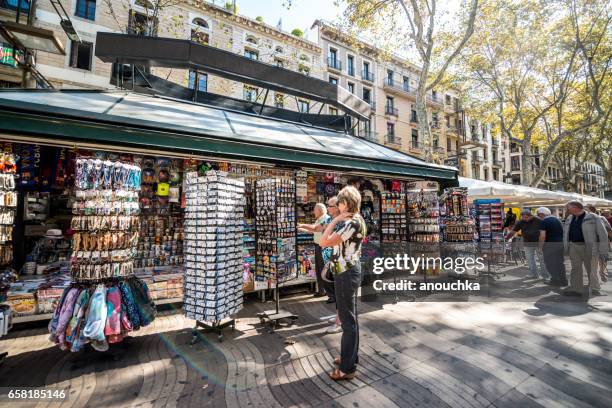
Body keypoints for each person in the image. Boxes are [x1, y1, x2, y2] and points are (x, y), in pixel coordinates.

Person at [320, 186, 366, 381]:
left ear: (346, 203)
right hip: (346, 272)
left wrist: (336, 220)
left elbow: (323, 241)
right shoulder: (354, 221)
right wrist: (338, 219)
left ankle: (348, 369)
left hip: (346, 273)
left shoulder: (351, 223)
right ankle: (349, 358)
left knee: (348, 322)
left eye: (338, 203)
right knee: (350, 318)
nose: (336, 207)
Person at [563, 201, 609, 297]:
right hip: (573, 246)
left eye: (568, 208)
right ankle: (576, 289)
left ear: (575, 207)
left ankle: (595, 288)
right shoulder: (569, 218)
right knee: (575, 268)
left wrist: (603, 250)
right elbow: (566, 233)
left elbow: (603, 234)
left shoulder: (593, 217)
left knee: (591, 269)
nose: (566, 209)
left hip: (590, 247)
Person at [298, 203, 332, 299]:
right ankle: (322, 291)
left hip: (324, 247)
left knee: (324, 270)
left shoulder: (326, 219)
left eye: (315, 210)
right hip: (318, 246)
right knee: (319, 270)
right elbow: (313, 230)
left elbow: (315, 229)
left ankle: (330, 294)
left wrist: (303, 225)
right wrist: (302, 229)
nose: (313, 212)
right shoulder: (319, 219)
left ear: (320, 210)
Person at [505, 209, 549, 280]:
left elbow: (544, 233)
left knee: (542, 259)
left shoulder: (539, 220)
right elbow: (513, 231)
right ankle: (533, 274)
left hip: (538, 242)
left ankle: (546, 276)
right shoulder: (521, 221)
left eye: (526, 217)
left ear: (531, 215)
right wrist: (507, 238)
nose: (525, 219)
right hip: (527, 242)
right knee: (530, 259)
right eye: (523, 217)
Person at [323, 197, 343, 333]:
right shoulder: (333, 220)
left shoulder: (342, 222)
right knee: (336, 292)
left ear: (337, 206)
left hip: (340, 262)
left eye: (330, 206)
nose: (328, 208)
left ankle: (339, 321)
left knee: (341, 293)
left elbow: (325, 241)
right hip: (333, 261)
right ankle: (338, 316)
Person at [537, 207, 567, 286]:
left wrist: (540, 247)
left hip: (549, 245)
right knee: (560, 263)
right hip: (560, 244)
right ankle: (564, 281)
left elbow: (542, 236)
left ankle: (555, 280)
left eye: (538, 215)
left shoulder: (544, 221)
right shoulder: (557, 219)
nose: (538, 217)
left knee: (550, 263)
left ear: (541, 214)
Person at [585, 204, 611, 282]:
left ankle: (601, 271)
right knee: (594, 259)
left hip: (603, 241)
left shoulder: (601, 218)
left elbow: (609, 229)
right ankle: (596, 275)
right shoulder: (584, 219)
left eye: (587, 209)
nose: (585, 211)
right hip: (591, 243)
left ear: (592, 210)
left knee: (603, 258)